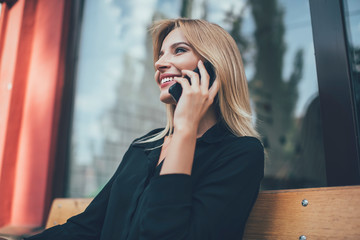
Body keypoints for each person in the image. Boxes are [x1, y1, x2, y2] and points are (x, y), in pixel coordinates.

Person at [25, 18, 264, 240]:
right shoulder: (146, 144)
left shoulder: (241, 153)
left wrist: (185, 130)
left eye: (179, 50)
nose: (159, 64)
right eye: (160, 55)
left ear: (213, 68)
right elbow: (89, 226)